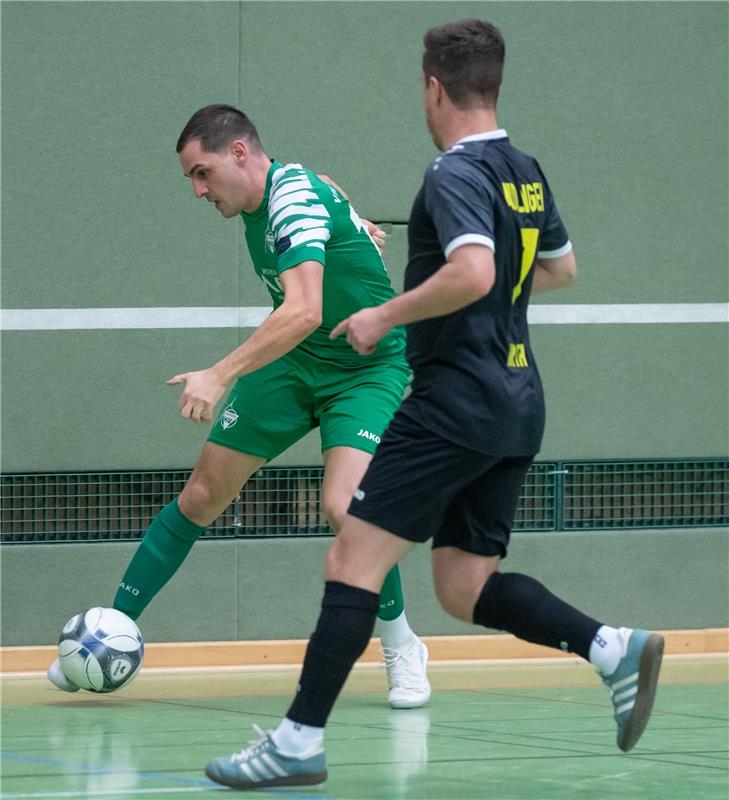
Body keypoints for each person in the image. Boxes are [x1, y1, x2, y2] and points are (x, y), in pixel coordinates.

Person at [204, 20, 665, 790]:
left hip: (453, 402)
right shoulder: (522, 169)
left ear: (432, 87)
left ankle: (295, 742)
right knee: (462, 586)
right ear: (493, 83)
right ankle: (609, 647)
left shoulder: (451, 174)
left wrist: (386, 314)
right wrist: (456, 285)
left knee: (351, 553)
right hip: (517, 400)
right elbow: (557, 269)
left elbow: (477, 272)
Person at [47, 104, 431, 710]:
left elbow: (303, 309)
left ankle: (402, 646)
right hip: (296, 361)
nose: (198, 190)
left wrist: (219, 373)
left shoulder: (292, 200)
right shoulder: (284, 192)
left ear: (240, 154)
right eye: (191, 180)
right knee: (201, 495)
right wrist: (353, 218)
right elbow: (321, 197)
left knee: (344, 509)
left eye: (202, 173)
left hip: (365, 366)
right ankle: (105, 636)